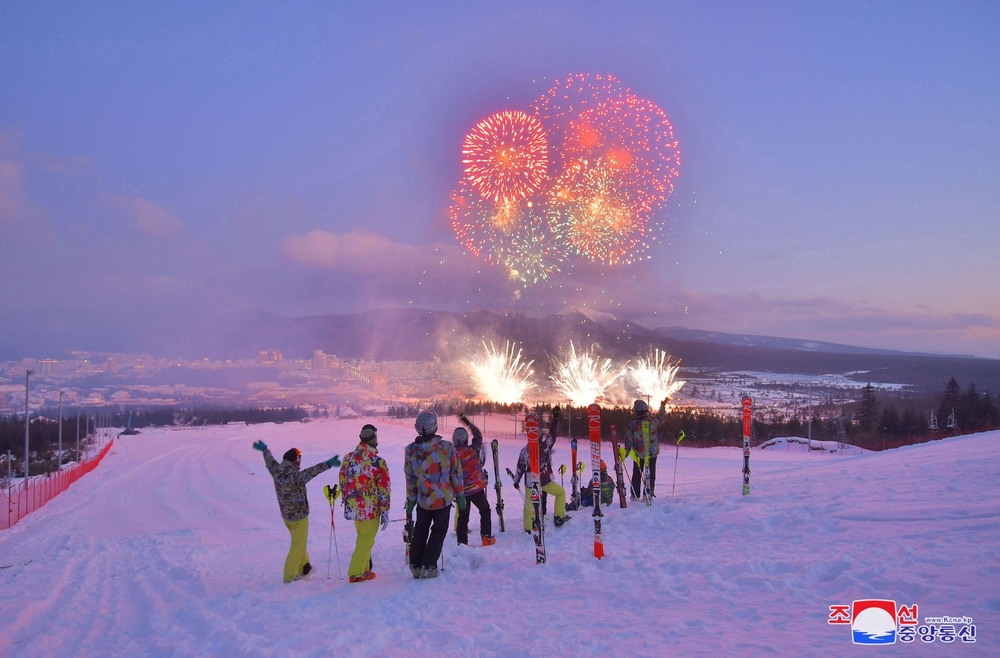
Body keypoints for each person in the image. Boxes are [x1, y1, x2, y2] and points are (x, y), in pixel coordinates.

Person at [252, 440, 340, 583]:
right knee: (297, 546)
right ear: (295, 461)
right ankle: (290, 576)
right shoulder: (296, 477)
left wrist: (265, 449)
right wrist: (328, 464)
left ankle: (305, 567)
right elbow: (312, 471)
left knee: (299, 542)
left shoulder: (276, 470)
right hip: (299, 517)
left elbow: (269, 461)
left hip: (287, 517)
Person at [404, 411, 465, 579]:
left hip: (423, 499)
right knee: (438, 531)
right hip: (442, 499)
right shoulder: (447, 448)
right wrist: (460, 495)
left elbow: (410, 477)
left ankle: (416, 565)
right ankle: (429, 565)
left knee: (421, 530)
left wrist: (411, 498)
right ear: (435, 426)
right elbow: (455, 474)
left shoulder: (410, 450)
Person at [338, 423, 391, 583]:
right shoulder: (378, 462)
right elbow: (384, 489)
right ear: (374, 439)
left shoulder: (348, 458)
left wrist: (346, 500)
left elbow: (342, 481)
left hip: (354, 508)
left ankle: (365, 570)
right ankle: (356, 573)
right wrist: (385, 510)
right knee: (366, 540)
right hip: (370, 509)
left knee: (362, 537)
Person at [512, 406, 571, 532]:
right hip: (545, 480)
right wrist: (555, 419)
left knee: (529, 506)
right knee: (560, 493)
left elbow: (520, 468)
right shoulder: (545, 446)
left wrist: (516, 481)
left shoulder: (525, 451)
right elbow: (553, 435)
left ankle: (528, 528)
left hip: (530, 482)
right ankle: (559, 516)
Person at [453, 414, 495, 547]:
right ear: (466, 439)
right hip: (476, 489)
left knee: (463, 517)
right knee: (485, 510)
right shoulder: (473, 450)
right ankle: (486, 538)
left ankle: (462, 542)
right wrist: (467, 422)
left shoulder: (451, 455)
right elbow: (478, 435)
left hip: (461, 492)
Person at [625, 398, 668, 499]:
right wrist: (662, 406)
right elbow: (661, 417)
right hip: (652, 453)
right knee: (651, 474)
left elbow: (628, 441)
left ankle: (635, 495)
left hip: (638, 454)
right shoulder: (652, 423)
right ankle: (648, 493)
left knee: (636, 474)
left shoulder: (632, 425)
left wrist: (624, 454)